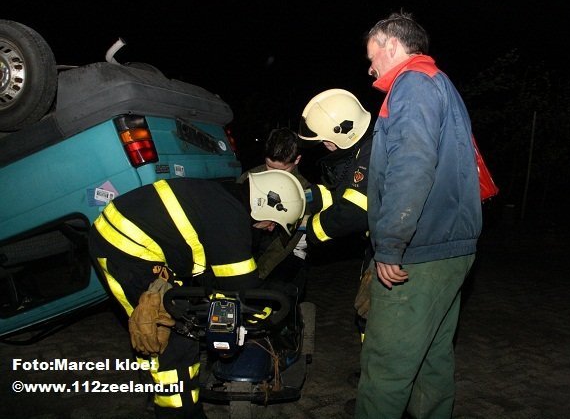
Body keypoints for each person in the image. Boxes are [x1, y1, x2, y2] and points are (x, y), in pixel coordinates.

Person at [88, 170, 305, 419]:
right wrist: (267, 313)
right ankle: (179, 411)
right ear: (267, 205)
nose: (269, 230)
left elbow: (208, 271)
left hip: (122, 237)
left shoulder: (224, 196)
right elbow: (242, 287)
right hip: (126, 250)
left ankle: (153, 388)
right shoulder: (232, 220)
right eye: (273, 223)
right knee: (174, 334)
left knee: (156, 326)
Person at [355, 11, 483, 419]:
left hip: (420, 254)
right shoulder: (438, 82)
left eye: (372, 54)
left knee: (386, 368)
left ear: (392, 44)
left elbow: (412, 165)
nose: (370, 65)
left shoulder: (411, 84)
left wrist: (391, 244)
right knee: (432, 361)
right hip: (449, 249)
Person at [297, 88, 372, 254]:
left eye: (326, 138)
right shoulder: (359, 149)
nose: (324, 143)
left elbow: (355, 211)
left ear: (344, 130)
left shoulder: (372, 152)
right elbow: (342, 191)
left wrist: (309, 226)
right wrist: (304, 197)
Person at [238, 127, 311, 286]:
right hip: (249, 251)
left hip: (284, 256)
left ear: (297, 159)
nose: (275, 174)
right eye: (270, 167)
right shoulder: (248, 179)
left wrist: (259, 274)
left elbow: (285, 243)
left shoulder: (304, 192)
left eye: (283, 170)